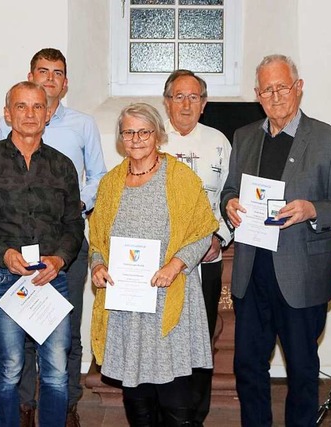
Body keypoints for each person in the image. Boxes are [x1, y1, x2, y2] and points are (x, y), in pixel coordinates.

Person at [221, 54, 331, 426]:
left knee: (302, 373)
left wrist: (311, 209)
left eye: (282, 87)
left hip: (301, 276)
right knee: (247, 367)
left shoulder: (330, 140)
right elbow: (231, 189)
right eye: (267, 89)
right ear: (257, 94)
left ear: (299, 87)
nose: (275, 95)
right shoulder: (244, 137)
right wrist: (228, 202)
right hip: (251, 272)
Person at [0, 81, 84, 427]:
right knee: (9, 368)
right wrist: (2, 254)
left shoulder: (62, 166)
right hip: (3, 280)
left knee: (57, 370)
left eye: (37, 107)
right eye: (22, 106)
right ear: (7, 113)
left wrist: (59, 259)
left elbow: (74, 225)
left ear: (47, 114)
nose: (30, 114)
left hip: (49, 280)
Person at [0, 48, 106, 427]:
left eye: (58, 72)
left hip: (66, 243)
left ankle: (66, 403)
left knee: (65, 328)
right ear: (31, 75)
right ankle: (26, 405)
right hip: (18, 247)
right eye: (43, 70)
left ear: (65, 82)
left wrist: (72, 205)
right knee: (20, 331)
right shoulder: (8, 122)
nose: (50, 77)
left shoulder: (83, 124)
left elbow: (98, 176)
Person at [89, 103, 218, 426]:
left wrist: (176, 265)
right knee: (138, 397)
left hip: (169, 299)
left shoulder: (181, 179)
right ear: (121, 138)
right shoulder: (110, 184)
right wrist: (97, 266)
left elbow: (203, 231)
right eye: (129, 132)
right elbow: (98, 241)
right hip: (128, 306)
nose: (136, 139)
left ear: (158, 135)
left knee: (175, 398)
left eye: (143, 131)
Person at [161, 69, 231, 425]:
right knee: (165, 335)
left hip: (206, 258)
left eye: (193, 97)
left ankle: (195, 414)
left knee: (201, 338)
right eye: (178, 97)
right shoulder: (152, 140)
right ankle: (165, 411)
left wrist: (220, 239)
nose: (186, 104)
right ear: (167, 102)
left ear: (203, 104)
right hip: (164, 263)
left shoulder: (220, 142)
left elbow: (232, 200)